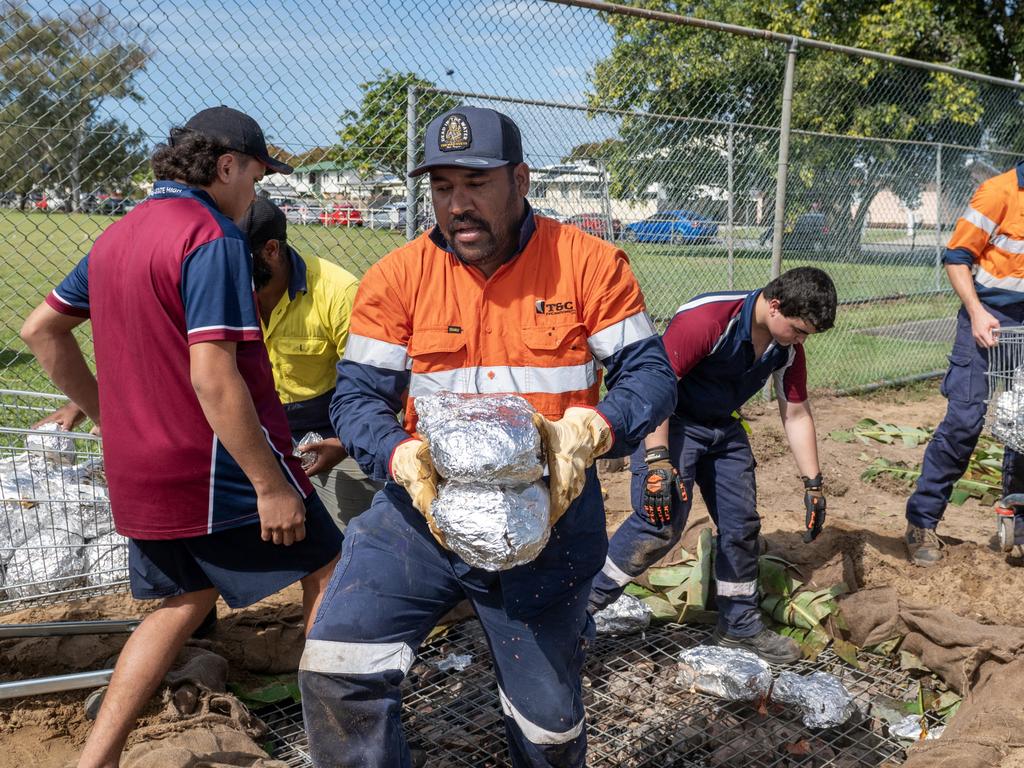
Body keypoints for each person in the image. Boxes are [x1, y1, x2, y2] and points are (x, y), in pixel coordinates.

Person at [297, 106, 677, 767]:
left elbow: (650, 374)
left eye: (475, 184)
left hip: (550, 515)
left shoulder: (587, 264)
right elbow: (356, 397)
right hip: (419, 512)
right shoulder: (398, 277)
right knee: (338, 667)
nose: (458, 205)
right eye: (443, 188)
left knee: (548, 727)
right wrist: (400, 456)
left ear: (521, 180)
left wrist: (596, 429)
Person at [19, 106, 341, 768]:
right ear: (228, 166)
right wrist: (269, 484)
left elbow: (40, 331)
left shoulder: (118, 236)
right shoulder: (214, 238)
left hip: (141, 464)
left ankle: (97, 758)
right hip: (211, 464)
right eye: (257, 173)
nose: (259, 190)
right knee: (328, 564)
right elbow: (215, 376)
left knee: (181, 601)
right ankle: (336, 733)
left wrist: (106, 415)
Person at [588, 267, 838, 664]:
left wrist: (814, 484)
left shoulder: (786, 347)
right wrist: (657, 462)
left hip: (722, 426)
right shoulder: (708, 320)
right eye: (798, 329)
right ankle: (580, 610)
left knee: (742, 526)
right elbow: (656, 387)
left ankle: (738, 626)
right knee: (659, 521)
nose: (801, 339)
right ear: (774, 306)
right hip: (670, 421)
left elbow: (795, 413)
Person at [904, 165, 1024, 566]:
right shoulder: (998, 193)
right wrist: (975, 312)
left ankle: (1018, 525)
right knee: (964, 421)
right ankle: (922, 521)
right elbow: (956, 258)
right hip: (987, 319)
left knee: (1020, 427)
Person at [237, 198, 380, 530]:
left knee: (360, 534)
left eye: (235, 258)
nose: (223, 268)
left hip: (329, 433)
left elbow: (373, 387)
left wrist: (343, 444)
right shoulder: (224, 291)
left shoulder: (338, 292)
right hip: (250, 430)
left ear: (271, 250)